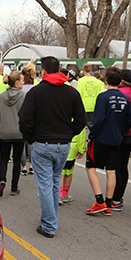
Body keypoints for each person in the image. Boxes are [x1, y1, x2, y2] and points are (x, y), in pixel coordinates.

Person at [18, 56, 86, 238]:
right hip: (63, 145)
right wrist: (69, 133)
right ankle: (50, 217)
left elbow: (24, 119)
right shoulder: (71, 93)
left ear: (44, 72)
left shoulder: (36, 93)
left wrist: (29, 137)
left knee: (46, 186)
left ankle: (49, 225)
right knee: (55, 183)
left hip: (43, 143)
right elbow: (81, 120)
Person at [84, 67, 131, 216]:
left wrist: (92, 134)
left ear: (105, 80)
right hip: (117, 139)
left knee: (90, 166)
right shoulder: (125, 98)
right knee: (111, 171)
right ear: (121, 81)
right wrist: (119, 131)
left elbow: (98, 120)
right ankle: (109, 203)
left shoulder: (103, 97)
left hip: (101, 138)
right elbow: (129, 120)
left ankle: (100, 201)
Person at [0, 70, 25, 197]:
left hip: (5, 132)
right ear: (17, 83)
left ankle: (2, 180)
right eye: (22, 80)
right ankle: (14, 187)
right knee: (17, 160)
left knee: (4, 159)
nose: (23, 82)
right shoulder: (23, 96)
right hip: (19, 132)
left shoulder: (1, 96)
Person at [111, 69, 131, 209]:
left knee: (115, 166)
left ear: (121, 80)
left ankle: (115, 198)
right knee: (123, 165)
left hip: (119, 133)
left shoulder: (120, 94)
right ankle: (119, 196)